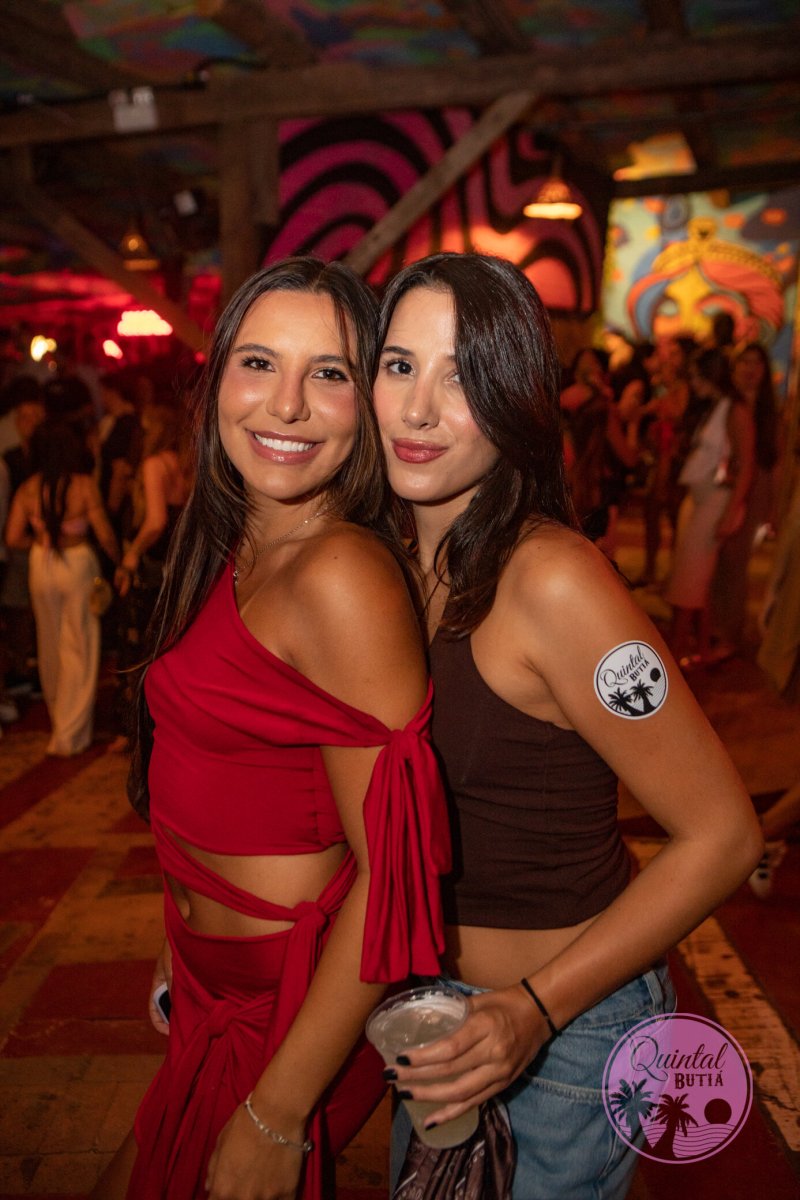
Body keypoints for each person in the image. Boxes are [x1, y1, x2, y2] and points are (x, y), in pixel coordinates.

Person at [372, 252, 763, 1200]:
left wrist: (531, 1011)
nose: (418, 409)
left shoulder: (554, 580)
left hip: (567, 1036)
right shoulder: (390, 562)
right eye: (399, 365)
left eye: (463, 377)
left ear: (516, 399)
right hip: (436, 1018)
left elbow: (722, 835)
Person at [91, 256, 450, 1200]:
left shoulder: (341, 575)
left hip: (287, 1019)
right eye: (259, 363)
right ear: (216, 382)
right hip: (207, 992)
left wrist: (278, 1112)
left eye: (328, 373)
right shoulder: (233, 545)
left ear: (367, 404)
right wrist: (181, 948)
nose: (286, 404)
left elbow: (394, 876)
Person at [4, 419, 119, 756]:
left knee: (50, 643)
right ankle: (71, 732)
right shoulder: (83, 485)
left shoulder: (28, 488)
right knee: (79, 644)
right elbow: (105, 534)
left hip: (42, 564)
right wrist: (119, 561)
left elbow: (12, 537)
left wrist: (40, 542)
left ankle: (59, 720)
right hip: (77, 564)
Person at [665, 347, 754, 668]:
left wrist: (731, 512)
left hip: (716, 500)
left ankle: (676, 654)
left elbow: (747, 464)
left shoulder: (735, 410)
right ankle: (699, 651)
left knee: (688, 580)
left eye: (696, 376)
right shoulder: (713, 406)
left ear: (710, 375)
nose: (692, 382)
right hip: (700, 496)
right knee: (695, 581)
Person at [711, 341, 782, 656]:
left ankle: (729, 632)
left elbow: (775, 463)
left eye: (757, 363)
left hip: (756, 488)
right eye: (745, 362)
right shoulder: (725, 404)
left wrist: (774, 509)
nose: (751, 369)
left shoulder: (770, 413)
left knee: (736, 560)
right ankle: (717, 625)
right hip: (723, 485)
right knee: (718, 558)